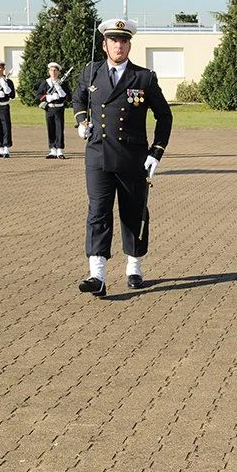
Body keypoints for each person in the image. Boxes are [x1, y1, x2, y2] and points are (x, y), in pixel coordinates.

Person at [73, 19, 173, 297]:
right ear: (104, 45)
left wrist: (157, 151)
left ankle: (134, 266)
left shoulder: (144, 77)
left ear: (129, 45)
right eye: (114, 41)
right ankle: (98, 275)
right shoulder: (90, 72)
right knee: (98, 212)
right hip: (98, 154)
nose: (119, 45)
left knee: (133, 213)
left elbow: (164, 115)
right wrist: (81, 122)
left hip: (132, 157)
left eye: (124, 41)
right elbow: (78, 99)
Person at [37, 63, 72, 159]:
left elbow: (68, 97)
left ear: (58, 72)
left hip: (59, 108)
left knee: (59, 129)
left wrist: (60, 90)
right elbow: (39, 95)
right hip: (49, 108)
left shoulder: (63, 83)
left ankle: (59, 150)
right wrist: (48, 97)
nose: (53, 72)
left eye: (55, 70)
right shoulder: (45, 83)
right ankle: (52, 149)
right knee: (51, 128)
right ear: (49, 71)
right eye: (51, 70)